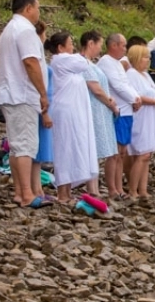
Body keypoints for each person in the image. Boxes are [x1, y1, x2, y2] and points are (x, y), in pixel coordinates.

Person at [0, 0, 51, 208]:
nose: (39, 13)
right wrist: (42, 93)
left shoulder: (9, 29)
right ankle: (27, 193)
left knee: (16, 145)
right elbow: (30, 62)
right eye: (38, 8)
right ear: (28, 8)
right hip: (23, 93)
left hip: (10, 92)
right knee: (26, 145)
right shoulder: (26, 30)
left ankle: (20, 192)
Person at [45, 32, 98, 204]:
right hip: (64, 112)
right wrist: (86, 52)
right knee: (64, 149)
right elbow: (84, 62)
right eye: (70, 43)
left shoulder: (67, 62)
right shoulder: (60, 60)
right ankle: (62, 192)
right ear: (60, 47)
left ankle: (67, 191)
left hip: (73, 113)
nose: (73, 46)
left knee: (73, 149)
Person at [97, 33, 142, 200]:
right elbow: (117, 85)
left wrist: (136, 97)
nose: (125, 48)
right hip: (118, 110)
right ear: (114, 45)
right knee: (114, 152)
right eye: (123, 45)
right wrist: (134, 99)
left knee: (122, 152)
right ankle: (112, 188)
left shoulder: (118, 63)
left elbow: (127, 84)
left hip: (127, 110)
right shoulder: (106, 62)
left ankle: (119, 186)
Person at [81, 30, 119, 198]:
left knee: (105, 150)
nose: (100, 49)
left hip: (101, 110)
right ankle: (92, 188)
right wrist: (111, 104)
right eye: (99, 44)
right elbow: (96, 89)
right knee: (94, 149)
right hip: (95, 110)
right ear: (91, 43)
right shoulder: (84, 64)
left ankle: (95, 187)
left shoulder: (91, 64)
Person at [126, 45, 155, 199]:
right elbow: (136, 96)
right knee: (141, 154)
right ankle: (132, 190)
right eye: (145, 57)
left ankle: (143, 189)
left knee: (147, 155)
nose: (148, 61)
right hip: (141, 117)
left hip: (150, 117)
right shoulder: (131, 74)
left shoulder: (145, 75)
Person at [32, 20, 54, 201]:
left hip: (45, 105)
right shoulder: (37, 58)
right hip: (42, 107)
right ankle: (35, 188)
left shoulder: (40, 56)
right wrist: (45, 112)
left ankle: (38, 187)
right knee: (37, 150)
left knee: (40, 151)